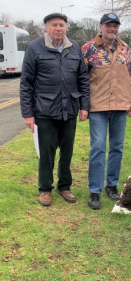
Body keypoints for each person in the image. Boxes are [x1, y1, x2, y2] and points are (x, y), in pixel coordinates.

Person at [20, 13, 90, 207]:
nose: (58, 28)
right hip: (44, 110)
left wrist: (84, 106)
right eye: (54, 25)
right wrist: (28, 113)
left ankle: (65, 186)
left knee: (67, 152)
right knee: (47, 152)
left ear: (65, 27)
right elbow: (26, 82)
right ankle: (44, 189)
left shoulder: (74, 47)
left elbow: (83, 78)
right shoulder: (34, 48)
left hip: (70, 110)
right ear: (46, 27)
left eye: (61, 25)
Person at [81, 13, 131, 210]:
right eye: (108, 25)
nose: (112, 29)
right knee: (97, 147)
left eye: (115, 26)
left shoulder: (126, 50)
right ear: (101, 27)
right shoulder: (88, 49)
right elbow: (81, 79)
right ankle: (94, 191)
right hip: (97, 107)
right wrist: (83, 105)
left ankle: (111, 185)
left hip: (120, 106)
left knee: (117, 147)